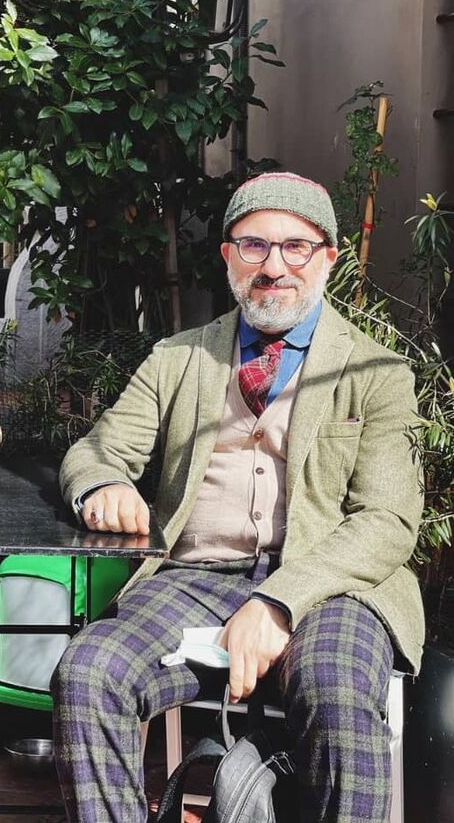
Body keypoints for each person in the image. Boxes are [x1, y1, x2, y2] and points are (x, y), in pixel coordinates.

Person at [52, 172, 424, 823]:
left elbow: (388, 519)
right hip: (193, 578)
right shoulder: (177, 359)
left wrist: (278, 601)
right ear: (228, 256)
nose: (274, 266)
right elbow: (96, 450)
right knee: (89, 673)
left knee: (336, 692)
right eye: (254, 245)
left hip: (330, 587)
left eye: (296, 247)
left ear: (328, 258)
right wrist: (103, 484)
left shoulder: (378, 374)